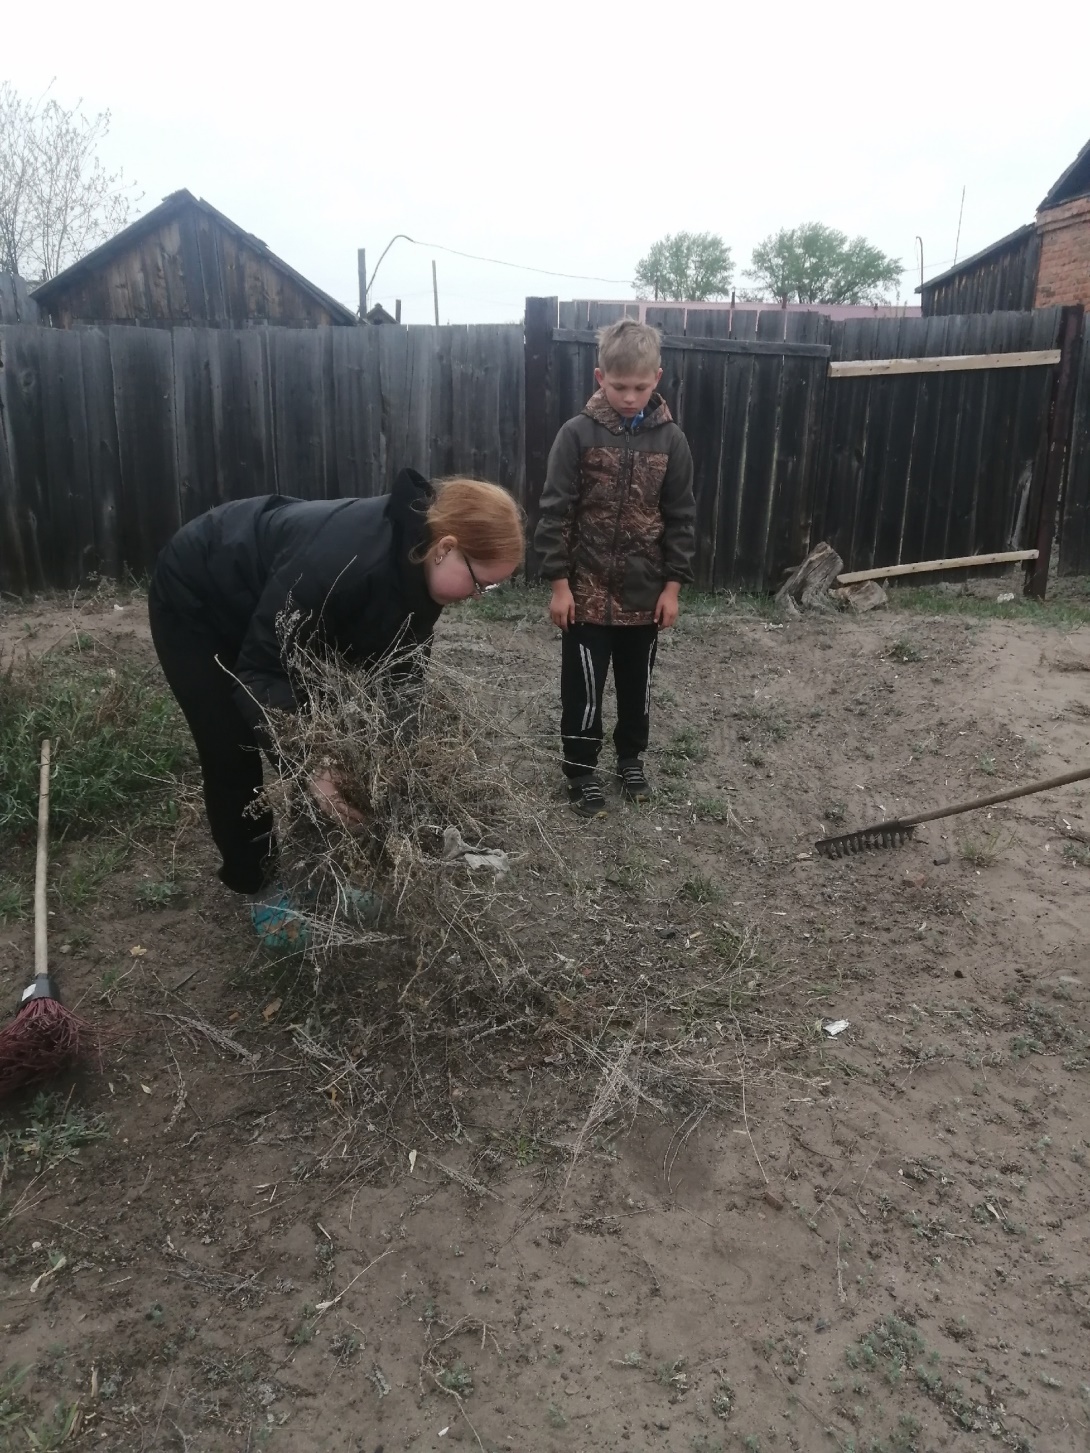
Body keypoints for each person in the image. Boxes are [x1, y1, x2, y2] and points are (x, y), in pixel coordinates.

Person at [148, 470, 524, 944]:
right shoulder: (348, 564)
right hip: (201, 596)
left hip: (275, 604)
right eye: (481, 583)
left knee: (334, 737)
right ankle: (259, 886)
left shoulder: (419, 568)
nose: (477, 597)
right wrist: (311, 760)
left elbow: (400, 673)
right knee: (232, 744)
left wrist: (391, 756)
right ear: (446, 547)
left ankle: (323, 879)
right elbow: (261, 672)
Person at [534, 319, 695, 817]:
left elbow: (681, 518)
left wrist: (672, 588)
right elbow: (555, 512)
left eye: (641, 387)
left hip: (643, 596)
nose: (630, 397)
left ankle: (630, 758)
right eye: (620, 386)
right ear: (600, 376)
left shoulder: (671, 441)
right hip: (583, 593)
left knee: (636, 685)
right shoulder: (576, 434)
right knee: (582, 688)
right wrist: (560, 586)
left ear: (658, 379)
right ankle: (580, 771)